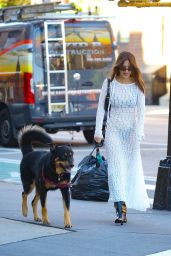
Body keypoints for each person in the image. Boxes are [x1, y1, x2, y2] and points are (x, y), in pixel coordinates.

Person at [94, 51, 150, 225]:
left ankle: (124, 203)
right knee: (115, 171)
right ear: (118, 67)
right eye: (123, 68)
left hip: (131, 133)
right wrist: (98, 131)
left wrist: (139, 132)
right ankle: (121, 210)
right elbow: (101, 109)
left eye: (129, 68)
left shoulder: (138, 85)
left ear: (133, 68)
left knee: (129, 171)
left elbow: (141, 113)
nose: (126, 71)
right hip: (114, 131)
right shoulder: (109, 83)